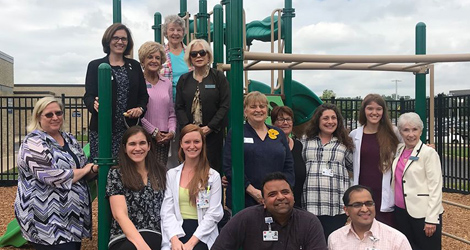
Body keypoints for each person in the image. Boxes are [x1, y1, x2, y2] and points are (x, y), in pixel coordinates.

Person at [14, 97, 98, 250]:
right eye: (49, 114)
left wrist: (92, 170)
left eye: (58, 113)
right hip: (46, 220)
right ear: (39, 117)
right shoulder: (33, 142)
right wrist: (86, 170)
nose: (55, 117)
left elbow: (83, 168)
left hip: (73, 220)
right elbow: (51, 176)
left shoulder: (69, 139)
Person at [211, 172, 327, 250]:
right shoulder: (246, 218)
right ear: (263, 202)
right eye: (272, 194)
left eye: (285, 192)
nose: (281, 197)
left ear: (293, 197)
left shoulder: (309, 222)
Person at [84, 23, 149, 161]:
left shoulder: (135, 66)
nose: (120, 42)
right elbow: (88, 95)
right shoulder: (95, 66)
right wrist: (93, 105)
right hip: (103, 130)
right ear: (108, 40)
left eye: (124, 39)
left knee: (129, 169)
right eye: (116, 38)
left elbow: (143, 96)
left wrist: (140, 109)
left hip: (129, 130)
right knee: (104, 171)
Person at [223, 91, 295, 209]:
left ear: (267, 111)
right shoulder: (236, 132)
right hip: (244, 200)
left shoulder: (278, 133)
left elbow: (289, 166)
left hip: (276, 201)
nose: (258, 110)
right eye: (253, 107)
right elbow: (229, 166)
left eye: (262, 106)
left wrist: (280, 193)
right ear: (245, 111)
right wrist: (252, 191)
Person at [160, 124, 224, 250]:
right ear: (181, 144)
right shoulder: (172, 174)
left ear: (203, 144)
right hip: (177, 229)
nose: (192, 146)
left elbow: (213, 214)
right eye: (187, 142)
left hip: (202, 233)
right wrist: (174, 239)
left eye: (196, 142)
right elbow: (167, 211)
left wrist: (191, 244)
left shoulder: (213, 176)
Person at [106, 126, 167, 250]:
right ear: (125, 148)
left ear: (149, 146)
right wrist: (141, 245)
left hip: (155, 234)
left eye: (142, 143)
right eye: (132, 144)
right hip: (124, 236)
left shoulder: (160, 172)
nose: (137, 148)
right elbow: (120, 214)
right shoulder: (117, 174)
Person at [300, 103, 354, 241]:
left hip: (335, 206)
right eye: (325, 118)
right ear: (318, 120)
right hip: (310, 204)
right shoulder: (305, 141)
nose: (330, 122)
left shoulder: (344, 143)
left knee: (335, 243)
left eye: (333, 118)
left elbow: (354, 167)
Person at [175, 39, 230, 173]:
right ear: (189, 58)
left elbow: (225, 105)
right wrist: (189, 129)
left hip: (212, 136)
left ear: (208, 55)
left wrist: (210, 127)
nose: (198, 56)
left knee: (211, 172)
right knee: (189, 170)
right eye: (194, 54)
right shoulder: (184, 79)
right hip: (189, 136)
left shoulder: (218, 77)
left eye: (202, 52)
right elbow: (179, 106)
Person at [392, 112, 444, 250]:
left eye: (415, 129)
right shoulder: (399, 150)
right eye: (406, 130)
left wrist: (432, 218)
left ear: (421, 130)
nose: (411, 134)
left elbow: (436, 186)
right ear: (400, 132)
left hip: (422, 214)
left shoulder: (428, 153)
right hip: (401, 212)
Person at [349, 94, 400, 226]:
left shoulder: (393, 132)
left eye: (378, 109)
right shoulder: (355, 135)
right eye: (370, 108)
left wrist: (427, 147)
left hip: (384, 194)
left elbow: (410, 145)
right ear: (364, 111)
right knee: (363, 229)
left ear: (383, 111)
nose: (374, 112)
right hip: (362, 192)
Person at [328, 185, 412, 250]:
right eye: (357, 205)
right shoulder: (335, 238)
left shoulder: (396, 239)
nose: (364, 209)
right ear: (346, 210)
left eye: (369, 203)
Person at [138, 41, 177, 167]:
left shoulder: (167, 83)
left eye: (157, 58)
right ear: (143, 60)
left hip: (163, 140)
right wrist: (153, 132)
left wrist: (171, 132)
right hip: (143, 137)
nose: (154, 61)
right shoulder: (138, 81)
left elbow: (171, 112)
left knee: (159, 178)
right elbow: (137, 112)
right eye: (150, 57)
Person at [161, 14, 192, 169]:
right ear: (166, 32)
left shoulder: (190, 53)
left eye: (179, 30)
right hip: (166, 104)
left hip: (187, 105)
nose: (175, 33)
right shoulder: (160, 53)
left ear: (183, 32)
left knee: (185, 140)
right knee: (169, 146)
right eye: (171, 29)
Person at [271, 105, 306, 208]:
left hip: (297, 203)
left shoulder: (299, 145)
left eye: (288, 119)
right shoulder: (268, 145)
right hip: (277, 203)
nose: (285, 123)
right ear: (273, 123)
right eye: (280, 120)